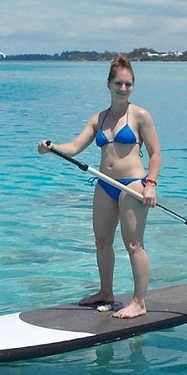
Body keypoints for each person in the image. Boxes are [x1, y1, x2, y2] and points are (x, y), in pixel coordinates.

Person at [38, 56, 161, 318]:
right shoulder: (99, 119)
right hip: (105, 185)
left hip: (133, 187)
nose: (123, 89)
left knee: (133, 245)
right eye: (119, 83)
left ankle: (139, 302)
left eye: (128, 84)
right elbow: (73, 147)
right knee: (102, 241)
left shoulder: (140, 115)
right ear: (108, 84)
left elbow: (155, 153)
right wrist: (51, 148)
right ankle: (106, 292)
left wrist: (150, 184)